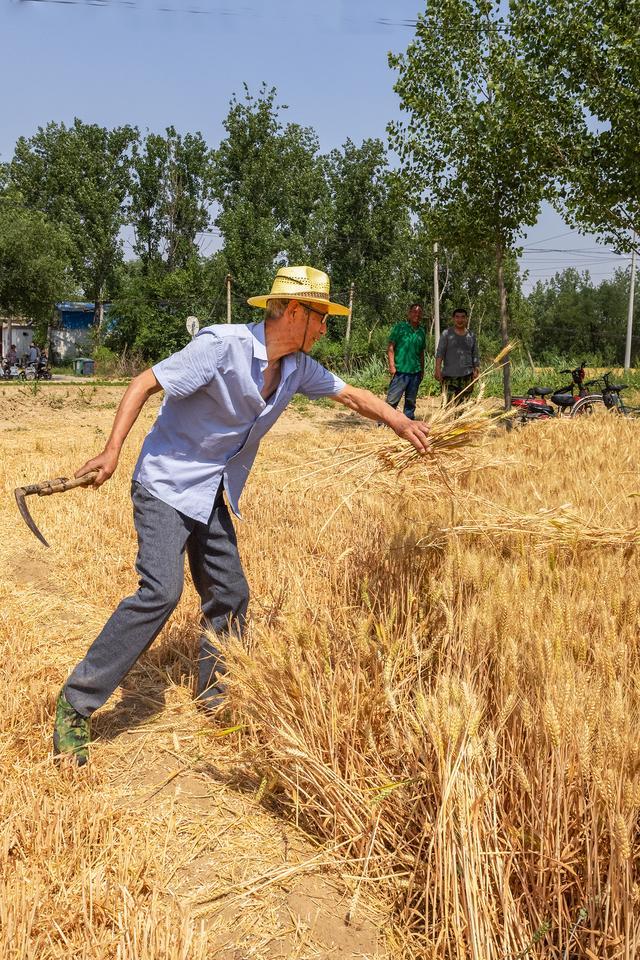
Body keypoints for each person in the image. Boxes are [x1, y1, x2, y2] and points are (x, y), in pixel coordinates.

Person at [53, 266, 431, 765]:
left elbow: (353, 396)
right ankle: (76, 703)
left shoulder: (296, 368)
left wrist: (403, 423)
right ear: (295, 312)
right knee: (161, 591)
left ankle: (215, 696)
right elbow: (145, 383)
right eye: (321, 318)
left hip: (209, 491)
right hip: (164, 483)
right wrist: (111, 450)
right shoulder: (221, 347)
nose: (324, 330)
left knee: (229, 593)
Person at [385, 304, 426, 420]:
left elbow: (421, 353)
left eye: (419, 313)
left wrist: (422, 370)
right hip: (400, 371)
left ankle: (408, 422)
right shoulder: (400, 327)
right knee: (392, 399)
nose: (416, 315)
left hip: (415, 372)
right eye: (414, 312)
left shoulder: (421, 332)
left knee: (411, 401)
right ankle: (384, 423)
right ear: (409, 313)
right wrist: (392, 366)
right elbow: (391, 347)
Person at [435, 308, 480, 405]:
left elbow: (475, 354)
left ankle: (460, 420)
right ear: (453, 319)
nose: (460, 320)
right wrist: (437, 369)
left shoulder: (471, 335)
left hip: (467, 377)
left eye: (463, 317)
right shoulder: (446, 334)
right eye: (457, 317)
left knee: (463, 406)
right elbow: (440, 353)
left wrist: (476, 370)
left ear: (466, 319)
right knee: (447, 405)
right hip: (449, 377)